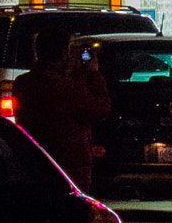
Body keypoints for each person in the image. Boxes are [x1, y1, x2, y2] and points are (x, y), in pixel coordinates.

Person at [12, 31, 111, 191]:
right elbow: (100, 108)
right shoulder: (66, 86)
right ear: (63, 54)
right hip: (68, 165)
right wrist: (93, 74)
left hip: (34, 160)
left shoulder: (23, 83)